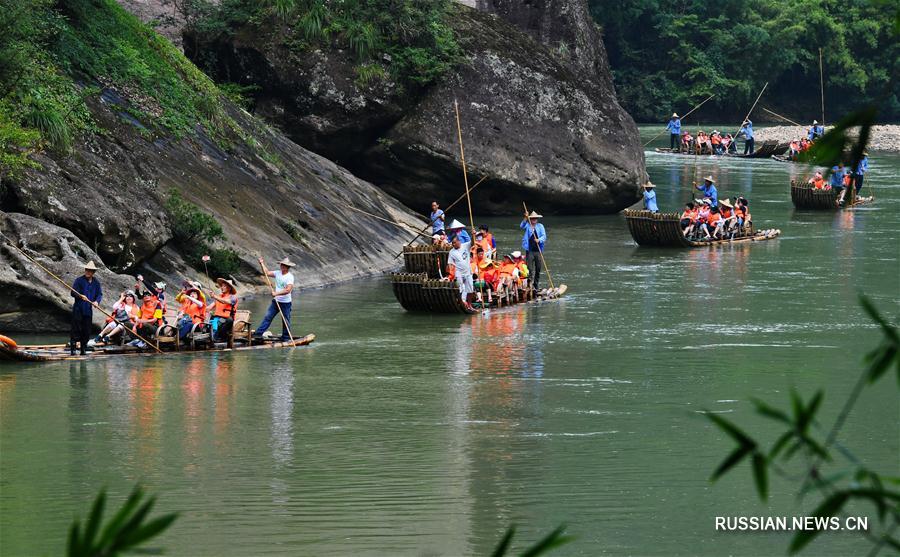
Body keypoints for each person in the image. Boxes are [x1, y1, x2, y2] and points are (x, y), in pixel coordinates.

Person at [254, 257, 295, 341]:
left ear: (288, 267)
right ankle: (258, 334)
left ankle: (286, 337)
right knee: (268, 317)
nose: (282, 266)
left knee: (285, 320)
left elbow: (288, 290)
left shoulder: (290, 277)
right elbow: (267, 272)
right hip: (276, 301)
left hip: (285, 302)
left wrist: (276, 293)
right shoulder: (277, 273)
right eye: (281, 264)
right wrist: (262, 263)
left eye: (284, 265)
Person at [70, 260, 103, 355]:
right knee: (76, 328)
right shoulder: (79, 280)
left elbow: (99, 294)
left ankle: (83, 349)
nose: (88, 272)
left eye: (90, 270)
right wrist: (80, 296)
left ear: (93, 272)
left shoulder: (96, 282)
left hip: (88, 310)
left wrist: (97, 301)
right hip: (78, 309)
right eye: (87, 270)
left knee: (86, 330)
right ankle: (73, 350)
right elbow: (72, 292)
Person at [520, 210, 546, 291]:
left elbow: (544, 236)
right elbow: (521, 226)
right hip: (530, 250)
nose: (534, 220)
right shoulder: (528, 225)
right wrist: (525, 217)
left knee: (538, 268)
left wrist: (539, 240)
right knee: (529, 269)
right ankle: (530, 284)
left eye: (535, 218)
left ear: (537, 219)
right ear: (530, 219)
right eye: (532, 218)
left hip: (538, 250)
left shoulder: (540, 226)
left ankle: (536, 284)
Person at [447, 233, 474, 309]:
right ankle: (462, 302)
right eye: (452, 243)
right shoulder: (451, 252)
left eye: (454, 242)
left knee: (470, 290)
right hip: (459, 273)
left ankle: (469, 305)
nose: (453, 244)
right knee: (461, 288)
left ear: (459, 241)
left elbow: (473, 242)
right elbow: (450, 264)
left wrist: (473, 235)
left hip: (468, 272)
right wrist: (449, 275)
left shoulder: (465, 246)